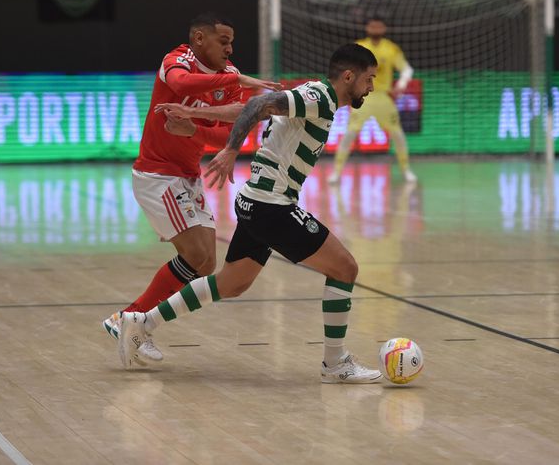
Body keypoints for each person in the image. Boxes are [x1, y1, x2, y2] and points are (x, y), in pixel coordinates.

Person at [120, 43, 383, 384]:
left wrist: (199, 117)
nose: (371, 88)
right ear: (349, 76)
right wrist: (230, 149)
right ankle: (335, 363)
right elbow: (258, 103)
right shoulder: (319, 97)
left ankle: (142, 322)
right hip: (271, 206)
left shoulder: (310, 95)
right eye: (369, 79)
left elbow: (249, 109)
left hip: (253, 203)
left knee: (232, 283)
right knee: (345, 268)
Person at [101, 13, 280, 363]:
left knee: (204, 261)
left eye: (232, 42)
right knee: (197, 255)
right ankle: (134, 320)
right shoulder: (176, 60)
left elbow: (229, 134)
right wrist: (234, 78)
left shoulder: (228, 79)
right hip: (157, 174)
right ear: (200, 38)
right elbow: (182, 85)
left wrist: (194, 130)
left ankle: (131, 321)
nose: (230, 48)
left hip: (187, 175)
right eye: (223, 41)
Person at [329, 17, 416, 185]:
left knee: (398, 135)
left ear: (384, 28)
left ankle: (406, 171)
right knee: (350, 134)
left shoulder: (391, 48)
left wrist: (402, 84)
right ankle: (337, 172)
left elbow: (406, 69)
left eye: (379, 25)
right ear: (367, 27)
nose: (375, 28)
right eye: (372, 25)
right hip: (362, 97)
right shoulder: (359, 47)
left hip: (383, 97)